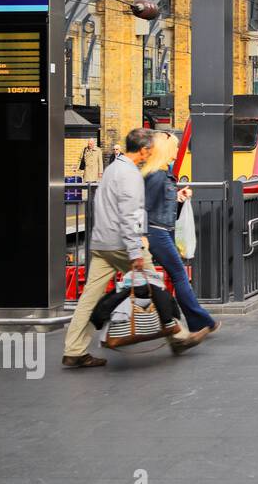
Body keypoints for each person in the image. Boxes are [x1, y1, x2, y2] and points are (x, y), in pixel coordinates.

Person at [62, 128, 199, 368]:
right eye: (151, 149)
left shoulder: (113, 168)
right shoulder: (131, 175)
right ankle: (179, 337)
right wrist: (135, 250)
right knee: (156, 286)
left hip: (102, 242)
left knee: (89, 299)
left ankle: (74, 349)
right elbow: (131, 215)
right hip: (123, 244)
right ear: (144, 150)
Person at [143, 131, 216, 343]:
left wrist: (178, 198)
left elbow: (161, 206)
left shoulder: (163, 173)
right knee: (179, 275)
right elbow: (145, 207)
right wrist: (142, 235)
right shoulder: (156, 175)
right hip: (156, 233)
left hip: (160, 231)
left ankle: (191, 325)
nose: (177, 150)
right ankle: (199, 321)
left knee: (174, 277)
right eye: (175, 146)